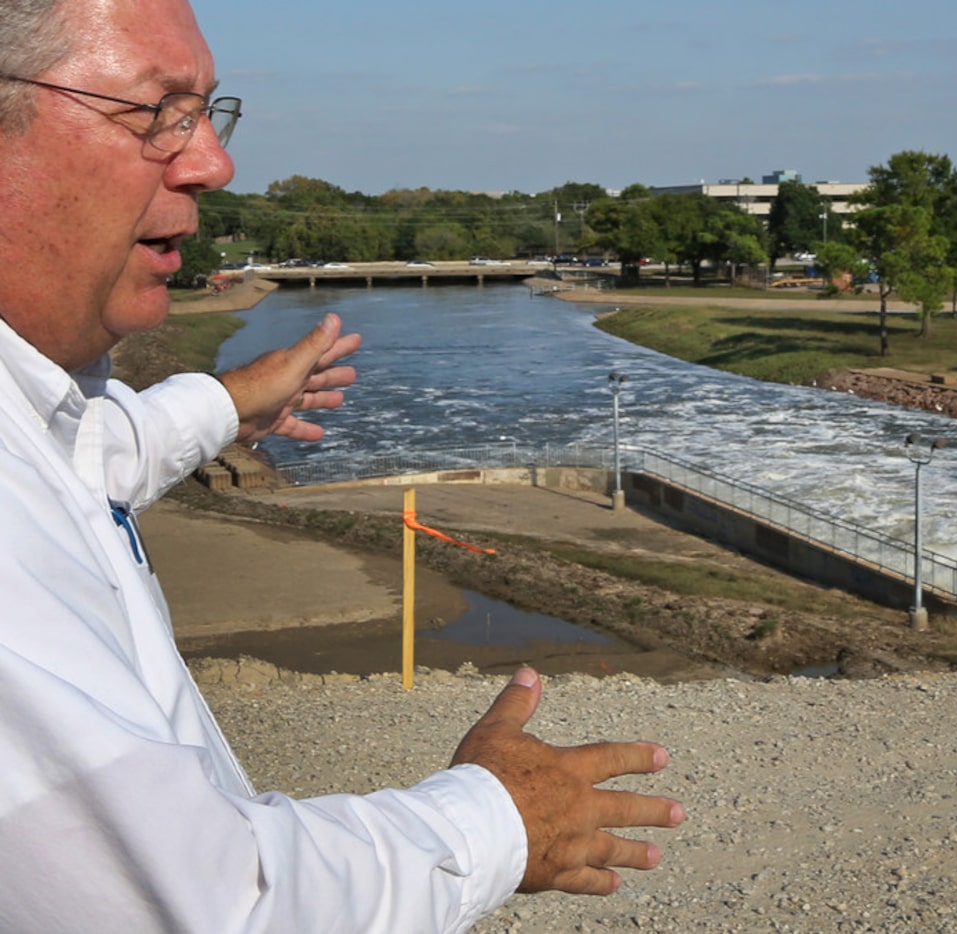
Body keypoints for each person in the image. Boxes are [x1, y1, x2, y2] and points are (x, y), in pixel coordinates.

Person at [0, 0, 682, 930]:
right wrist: (501, 819)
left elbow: (78, 461)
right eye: (156, 111)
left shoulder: (38, 416)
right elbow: (206, 909)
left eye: (205, 112)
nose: (211, 162)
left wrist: (227, 401)